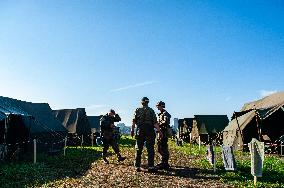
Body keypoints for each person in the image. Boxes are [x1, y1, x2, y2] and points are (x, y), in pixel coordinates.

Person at [131, 97, 162, 172]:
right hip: (149, 130)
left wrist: (132, 130)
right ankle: (151, 166)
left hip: (140, 129)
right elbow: (155, 122)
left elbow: (134, 121)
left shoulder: (137, 110)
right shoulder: (151, 110)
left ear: (141, 102)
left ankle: (137, 166)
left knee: (138, 148)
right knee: (150, 149)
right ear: (148, 102)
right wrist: (159, 131)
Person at [156, 101, 171, 170]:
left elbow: (166, 122)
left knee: (163, 148)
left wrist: (158, 124)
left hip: (163, 133)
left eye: (158, 106)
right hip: (160, 132)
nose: (157, 107)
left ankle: (165, 163)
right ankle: (163, 162)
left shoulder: (165, 114)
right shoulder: (160, 114)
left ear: (162, 106)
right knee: (159, 148)